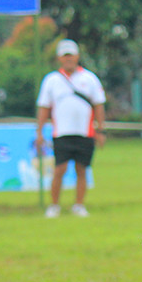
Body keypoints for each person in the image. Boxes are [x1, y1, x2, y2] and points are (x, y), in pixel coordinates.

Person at [36, 38, 106, 219]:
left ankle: (79, 205)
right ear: (59, 58)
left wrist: (100, 130)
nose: (68, 59)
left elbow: (98, 105)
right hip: (62, 133)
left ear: (77, 56)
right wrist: (39, 132)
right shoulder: (51, 80)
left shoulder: (89, 78)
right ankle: (54, 206)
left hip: (85, 132)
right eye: (65, 56)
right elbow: (44, 107)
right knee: (59, 169)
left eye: (71, 55)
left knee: (82, 169)